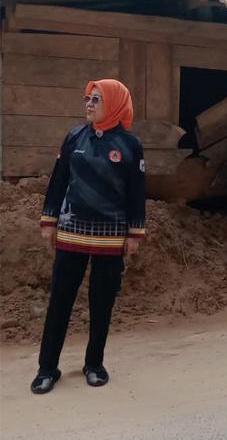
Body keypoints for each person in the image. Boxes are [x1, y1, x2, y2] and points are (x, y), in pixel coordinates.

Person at [31, 79, 146, 394]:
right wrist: (49, 220)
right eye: (87, 98)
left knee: (102, 302)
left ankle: (94, 364)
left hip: (111, 236)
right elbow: (58, 180)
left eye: (96, 99)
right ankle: (47, 369)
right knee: (60, 300)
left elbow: (137, 191)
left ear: (115, 103)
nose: (89, 104)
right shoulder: (74, 137)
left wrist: (135, 232)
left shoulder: (130, 145)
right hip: (71, 233)